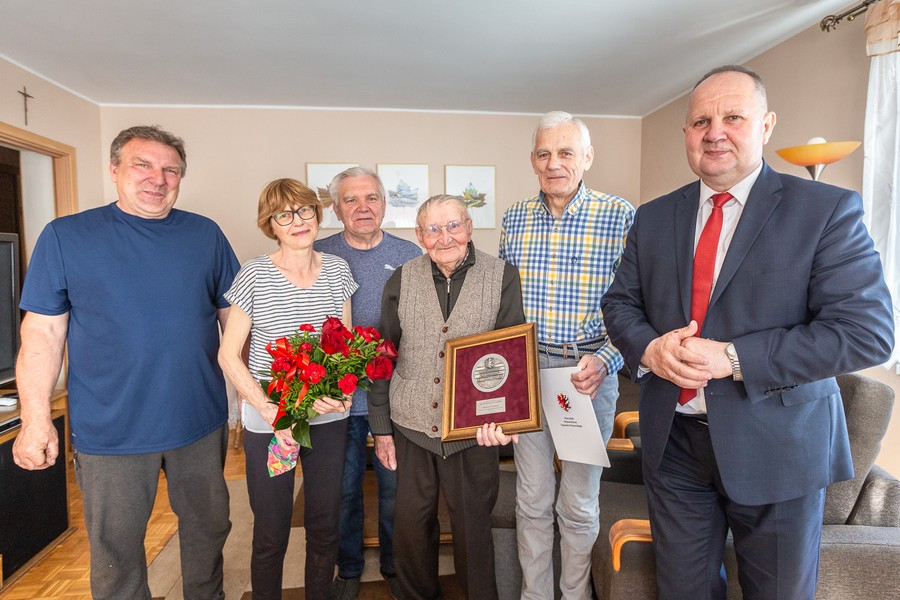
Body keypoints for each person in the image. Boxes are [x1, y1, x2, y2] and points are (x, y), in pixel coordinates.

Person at [601, 65, 894, 600]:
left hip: (779, 446)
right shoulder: (652, 217)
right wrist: (650, 346)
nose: (714, 131)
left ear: (766, 125)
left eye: (732, 116)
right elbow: (619, 304)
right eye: (700, 121)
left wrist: (732, 357)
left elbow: (866, 333)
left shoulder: (825, 210)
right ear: (687, 134)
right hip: (674, 446)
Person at [12, 125, 238, 600]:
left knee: (209, 530)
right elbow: (42, 332)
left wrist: (261, 397)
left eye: (170, 169)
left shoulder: (206, 234)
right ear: (114, 170)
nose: (158, 178)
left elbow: (235, 321)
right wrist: (34, 420)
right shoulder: (66, 237)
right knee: (115, 550)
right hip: (111, 429)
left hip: (198, 420)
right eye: (143, 165)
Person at [496, 111, 634, 599]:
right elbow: (504, 306)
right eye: (545, 154)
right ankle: (536, 595)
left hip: (586, 374)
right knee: (531, 500)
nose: (555, 163)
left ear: (587, 157)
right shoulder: (514, 218)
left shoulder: (620, 216)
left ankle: (573, 594)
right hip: (528, 372)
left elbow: (641, 307)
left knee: (577, 503)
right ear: (533, 161)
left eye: (566, 152)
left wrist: (607, 360)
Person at [368, 195, 525, 600]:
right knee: (411, 526)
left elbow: (510, 356)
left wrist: (503, 421)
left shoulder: (502, 275)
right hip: (411, 425)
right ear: (420, 236)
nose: (444, 237)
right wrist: (382, 428)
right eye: (433, 229)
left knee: (473, 527)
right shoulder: (401, 278)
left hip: (473, 432)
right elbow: (382, 357)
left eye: (453, 226)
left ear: (469, 227)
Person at [218, 178, 356, 600]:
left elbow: (343, 344)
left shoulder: (337, 269)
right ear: (270, 224)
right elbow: (228, 355)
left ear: (318, 214)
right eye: (284, 214)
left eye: (305, 211)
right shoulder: (254, 274)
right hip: (273, 423)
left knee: (323, 521)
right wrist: (268, 409)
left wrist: (345, 391)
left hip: (328, 419)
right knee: (273, 528)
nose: (297, 221)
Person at [314, 167, 420, 600]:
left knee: (397, 492)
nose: (363, 208)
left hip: (393, 401)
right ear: (336, 207)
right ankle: (351, 567)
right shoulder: (317, 252)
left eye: (371, 198)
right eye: (351, 200)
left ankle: (395, 566)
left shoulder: (410, 252)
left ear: (384, 203)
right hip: (336, 402)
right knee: (343, 491)